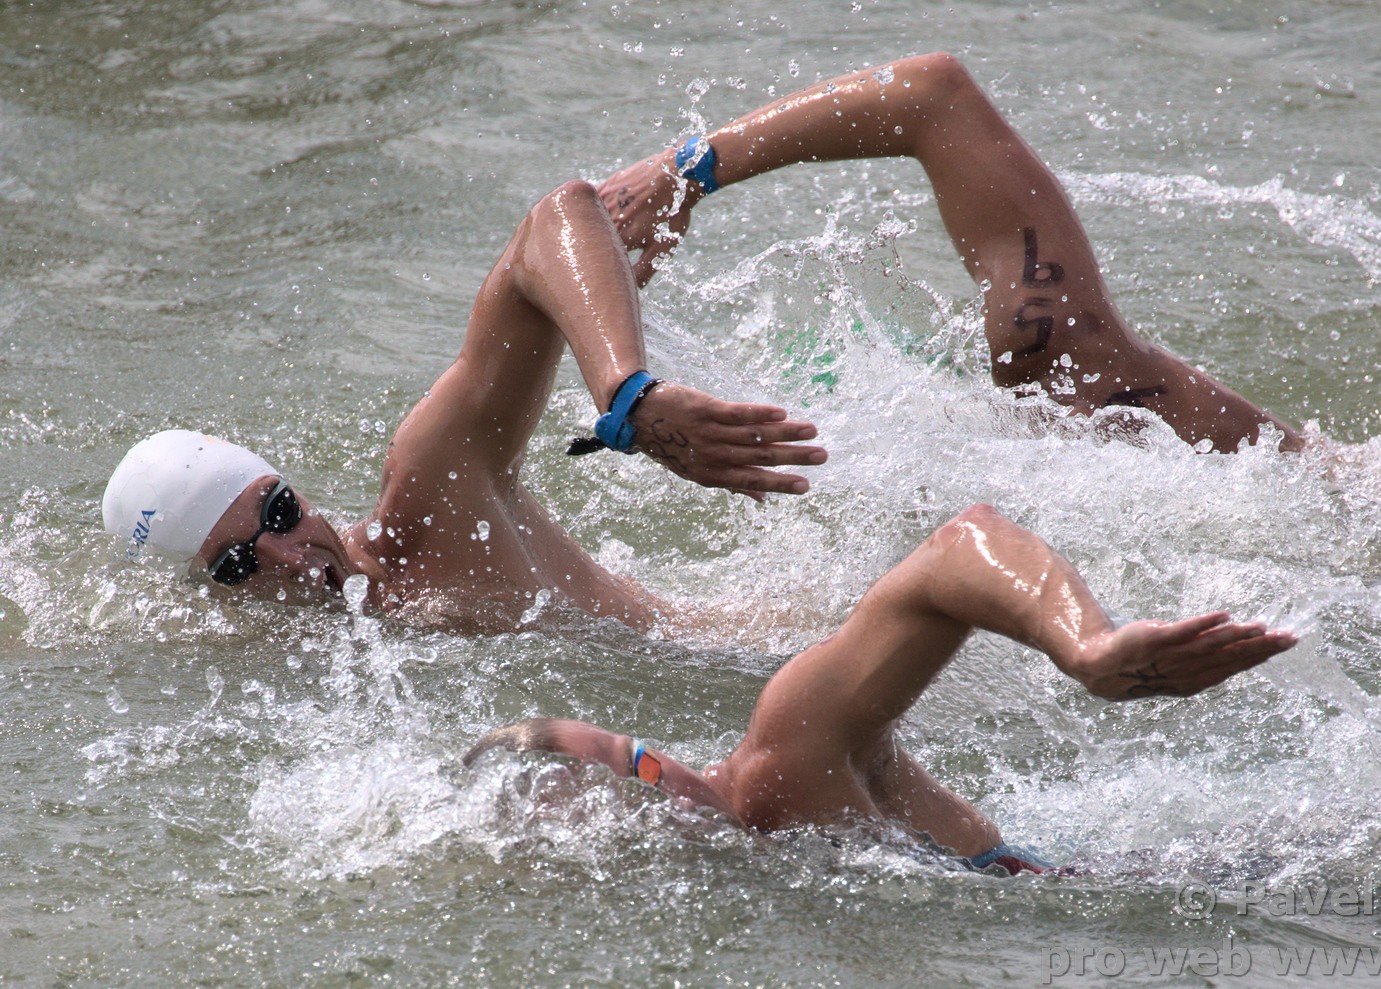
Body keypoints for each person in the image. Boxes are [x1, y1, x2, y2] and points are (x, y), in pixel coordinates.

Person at [102, 178, 827, 631]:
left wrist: (628, 393)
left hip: (765, 652)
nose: (290, 557)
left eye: (281, 511)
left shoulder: (430, 502)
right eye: (238, 565)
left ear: (295, 489)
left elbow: (555, 219)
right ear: (210, 599)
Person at [466, 503, 1298, 875]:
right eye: (633, 805)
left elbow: (961, 544)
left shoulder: (783, 756)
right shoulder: (767, 871)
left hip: (1220, 873)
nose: (670, 792)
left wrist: (1086, 647)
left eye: (644, 760)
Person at [599, 52, 1303, 453]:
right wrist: (685, 170)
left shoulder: (1064, 364)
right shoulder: (1072, 366)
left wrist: (685, 169)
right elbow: (933, 95)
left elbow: (933, 93)